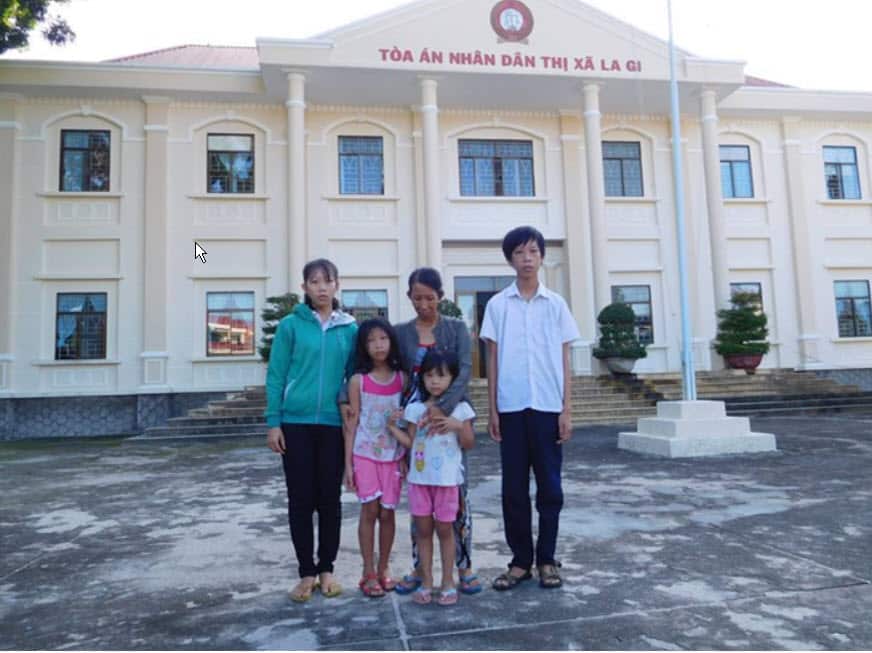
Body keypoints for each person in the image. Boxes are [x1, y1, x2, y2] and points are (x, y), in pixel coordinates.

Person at [479, 226, 580, 591]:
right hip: (511, 409)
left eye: (533, 251)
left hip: (547, 408)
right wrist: (492, 409)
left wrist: (566, 410)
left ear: (541, 257)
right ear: (510, 259)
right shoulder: (497, 305)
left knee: (550, 488)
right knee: (514, 490)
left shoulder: (556, 305)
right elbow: (492, 359)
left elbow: (565, 359)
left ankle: (547, 559)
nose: (527, 259)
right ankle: (520, 562)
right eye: (520, 253)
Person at [265, 258, 358, 603]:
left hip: (332, 425)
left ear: (337, 285)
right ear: (304, 287)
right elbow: (276, 375)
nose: (321, 287)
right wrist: (274, 422)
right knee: (301, 500)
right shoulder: (290, 326)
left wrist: (351, 413)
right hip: (296, 424)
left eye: (327, 281)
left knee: (329, 499)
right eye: (314, 281)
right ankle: (306, 572)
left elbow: (353, 376)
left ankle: (327, 569)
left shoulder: (349, 329)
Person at [392, 268, 481, 595]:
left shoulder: (456, 328)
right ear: (409, 297)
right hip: (416, 419)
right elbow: (394, 372)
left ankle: (463, 565)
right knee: (420, 499)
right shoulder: (401, 333)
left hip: (451, 415)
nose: (423, 304)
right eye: (417, 298)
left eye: (430, 298)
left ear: (441, 297)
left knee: (457, 494)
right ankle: (421, 568)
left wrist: (443, 408)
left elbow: (465, 370)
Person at [388, 349, 476, 606]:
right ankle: (427, 581)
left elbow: (469, 443)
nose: (435, 381)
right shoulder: (415, 409)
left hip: (448, 482)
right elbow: (411, 442)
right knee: (423, 531)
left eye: (441, 375)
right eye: (429, 375)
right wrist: (392, 427)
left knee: (446, 530)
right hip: (419, 482)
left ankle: (448, 582)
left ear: (453, 379)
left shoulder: (460, 409)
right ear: (422, 378)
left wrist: (457, 426)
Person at [343, 318, 407, 598]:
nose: (378, 345)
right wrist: (348, 464)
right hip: (364, 454)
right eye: (371, 340)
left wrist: (406, 453)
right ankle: (368, 571)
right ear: (363, 346)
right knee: (369, 511)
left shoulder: (402, 379)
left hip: (393, 456)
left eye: (383, 338)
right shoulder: (358, 381)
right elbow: (352, 423)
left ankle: (384, 568)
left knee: (387, 512)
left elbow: (407, 420)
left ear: (391, 341)